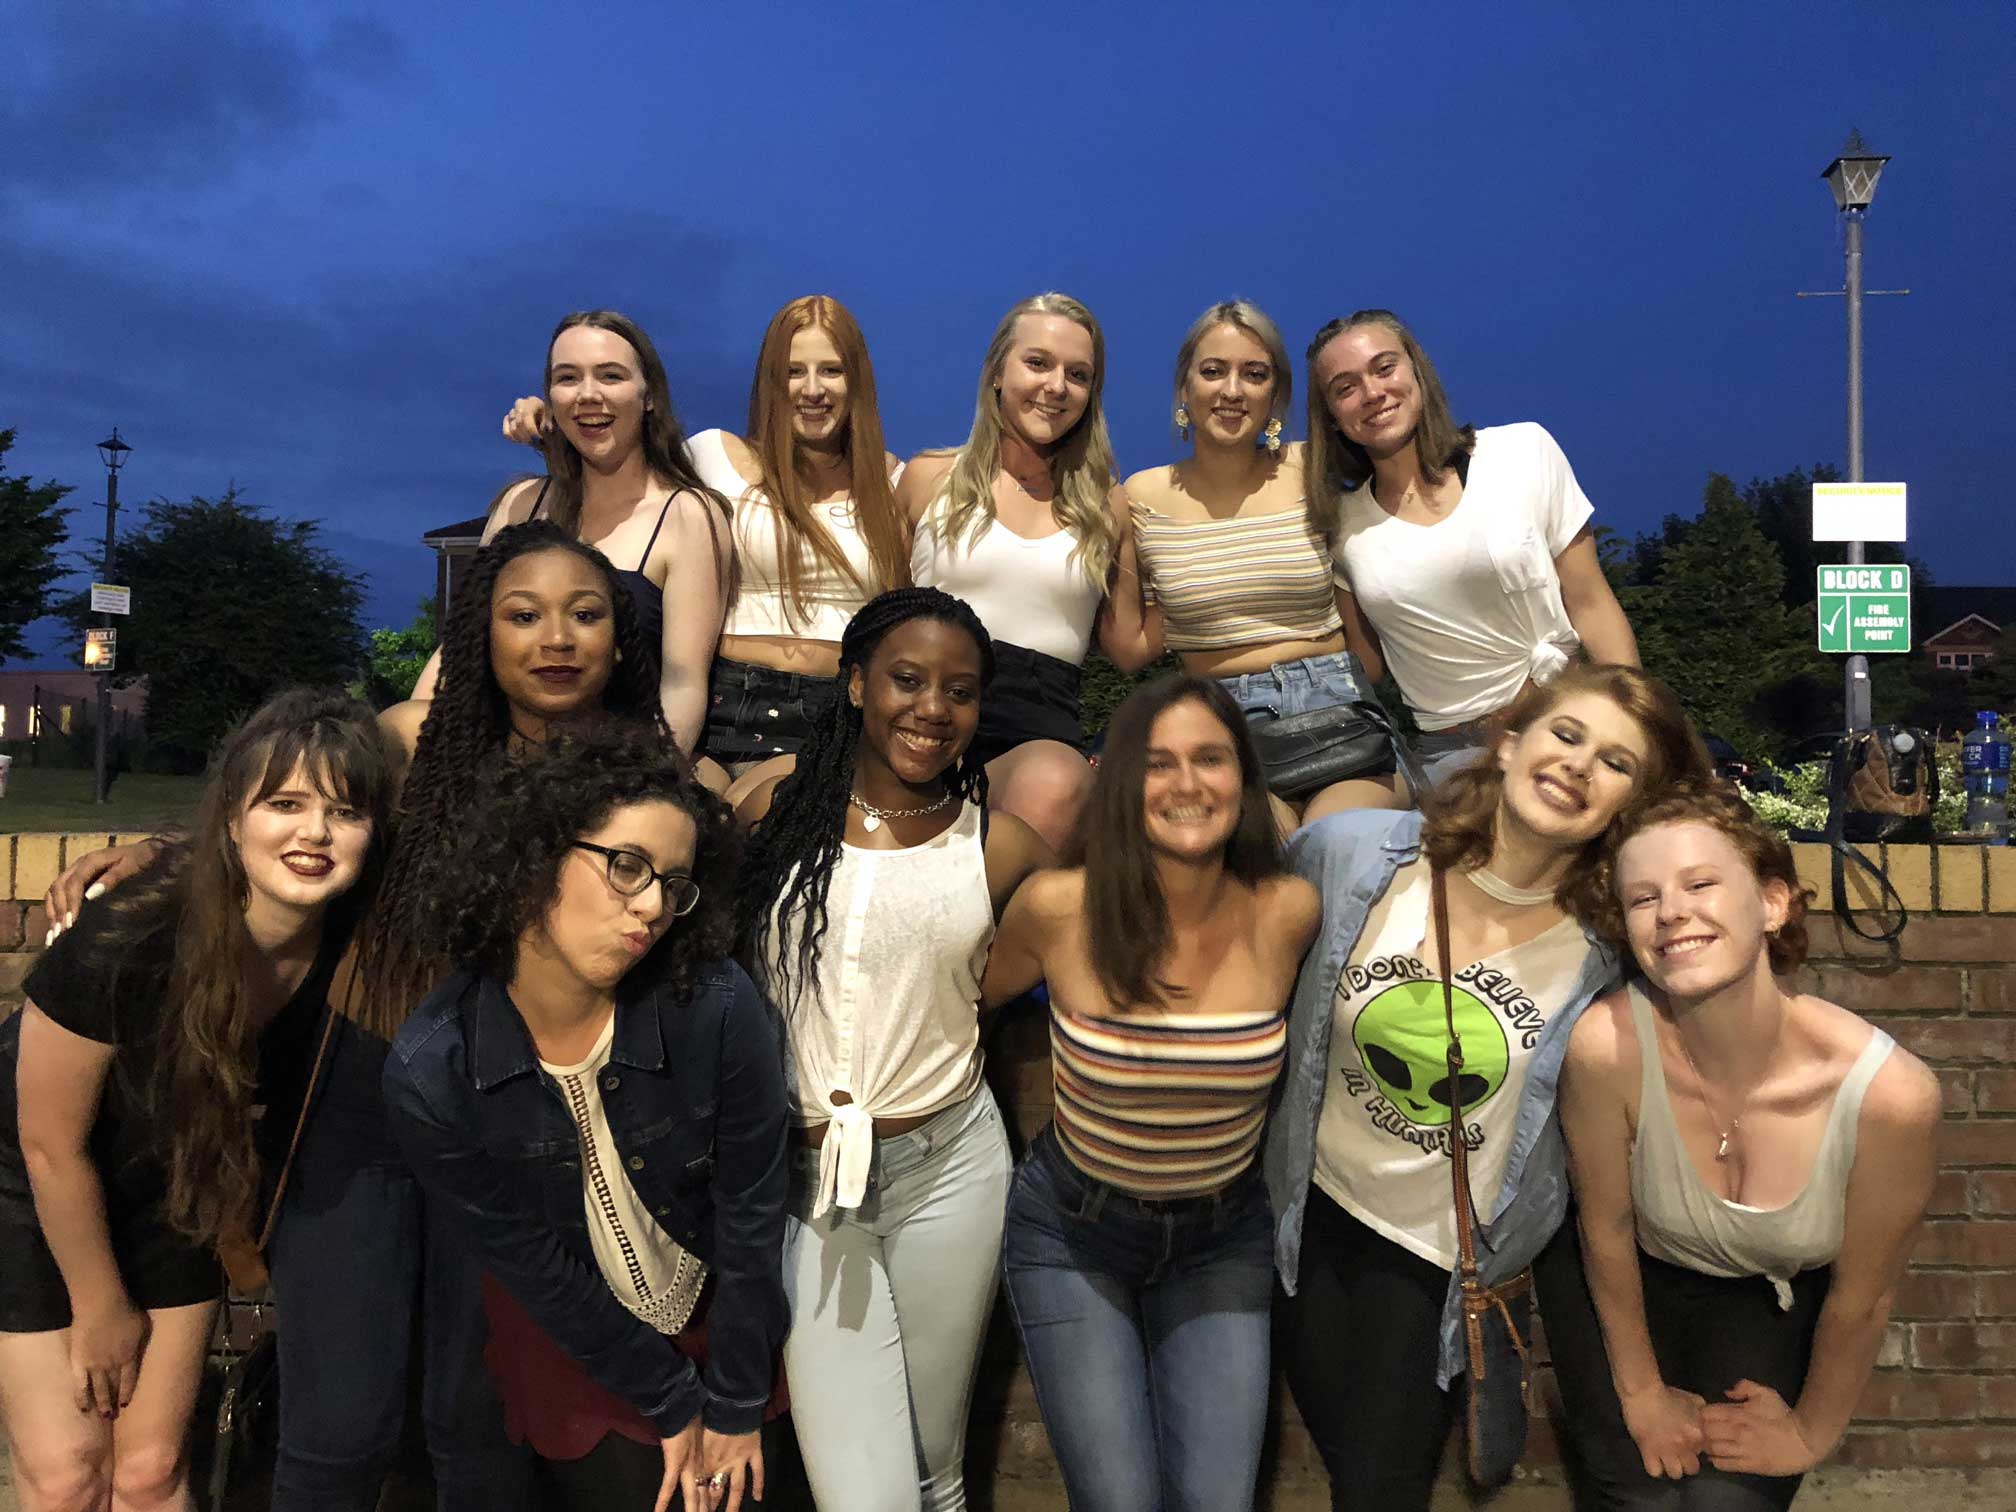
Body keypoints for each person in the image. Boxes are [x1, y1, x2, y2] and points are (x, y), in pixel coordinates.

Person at [43, 523, 671, 1510]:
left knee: (479, 1425)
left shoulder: (647, 784)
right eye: (523, 614)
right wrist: (164, 853)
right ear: (482, 637)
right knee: (341, 1423)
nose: (555, 637)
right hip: (365, 1104)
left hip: (520, 1128)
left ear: (620, 639)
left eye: (586, 614)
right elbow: (287, 807)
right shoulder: (412, 739)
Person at [1264, 664, 1714, 1511]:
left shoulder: (1610, 954)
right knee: (1345, 1460)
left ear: (1634, 803)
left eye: (1618, 764)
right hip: (1305, 1220)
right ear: (1509, 744)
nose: (1580, 767)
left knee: (1381, 1483)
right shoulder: (1353, 854)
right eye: (1567, 736)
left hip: (1439, 1255)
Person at [0, 689, 396, 1512]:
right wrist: (101, 1303)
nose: (314, 833)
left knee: (147, 1470)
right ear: (231, 819)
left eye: (343, 811)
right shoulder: (132, 937)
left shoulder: (354, 939)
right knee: (68, 1470)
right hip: (36, 1181)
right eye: (284, 804)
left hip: (175, 1178)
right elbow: (48, 1144)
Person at [384, 719, 788, 1512]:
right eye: (627, 867)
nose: (652, 910)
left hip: (726, 1311)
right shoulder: (433, 1071)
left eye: (674, 885)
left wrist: (734, 1405)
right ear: (537, 855)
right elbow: (535, 1269)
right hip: (581, 1329)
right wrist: (673, 1402)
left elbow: (751, 1216)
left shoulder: (714, 1005)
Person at [735, 587, 1052, 1511]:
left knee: (934, 1467)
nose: (932, 709)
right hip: (807, 1190)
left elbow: (1035, 963)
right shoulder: (772, 818)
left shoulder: (1002, 847)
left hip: (952, 1166)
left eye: (959, 691)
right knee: (865, 1496)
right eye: (907, 681)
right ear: (855, 685)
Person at [982, 674, 1320, 1511]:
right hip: (1073, 1234)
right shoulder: (1060, 906)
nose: (1187, 784)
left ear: (1244, 777)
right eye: (1158, 763)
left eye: (1211, 759)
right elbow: (960, 1006)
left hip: (1222, 1238)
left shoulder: (1289, 910)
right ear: (1121, 781)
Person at [1549, 785, 1938, 1510]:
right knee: (1641, 1497)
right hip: (1629, 1277)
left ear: (1773, 904)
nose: (1670, 912)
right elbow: (1604, 1228)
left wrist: (1810, 1433)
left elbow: (1865, 1296)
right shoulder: (1605, 1048)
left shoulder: (1890, 1095)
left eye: (1701, 883)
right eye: (1642, 898)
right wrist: (1640, 1394)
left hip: (1763, 1292)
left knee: (1727, 1505)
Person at [505, 296, 910, 787]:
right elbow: (621, 474)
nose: (812, 389)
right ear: (770, 382)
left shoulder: (896, 486)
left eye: (831, 370)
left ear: (857, 382)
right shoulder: (714, 455)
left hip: (843, 708)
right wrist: (552, 424)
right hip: (729, 704)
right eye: (793, 371)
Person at [1306, 309, 1639, 787]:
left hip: (1570, 726)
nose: (1373, 393)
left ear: (1416, 371)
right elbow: (1364, 665)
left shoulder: (1522, 451)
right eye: (1345, 387)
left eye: (1384, 368)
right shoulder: (1342, 527)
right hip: (1454, 758)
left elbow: (1590, 601)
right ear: (1333, 418)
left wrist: (1632, 726)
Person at [1121, 301, 1400, 829]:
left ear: (1275, 395)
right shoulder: (1140, 497)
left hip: (1335, 706)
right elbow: (1131, 645)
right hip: (1216, 725)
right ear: (1184, 389)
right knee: (1258, 858)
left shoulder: (1314, 465)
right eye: (1212, 371)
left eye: (1254, 374)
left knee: (1340, 842)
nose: (1232, 390)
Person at [417, 308, 731, 762]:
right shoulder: (520, 505)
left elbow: (683, 685)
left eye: (610, 376)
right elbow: (461, 649)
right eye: (568, 378)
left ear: (649, 396)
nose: (588, 394)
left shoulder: (687, 516)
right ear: (549, 397)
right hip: (502, 753)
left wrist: (644, 782)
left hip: (616, 762)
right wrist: (419, 733)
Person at [901, 292, 1153, 849]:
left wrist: (1214, 573)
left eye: (1078, 374)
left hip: (1038, 733)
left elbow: (1130, 646)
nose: (1057, 386)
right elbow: (878, 610)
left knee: (1055, 783)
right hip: (922, 713)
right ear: (996, 373)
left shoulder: (1107, 509)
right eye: (1037, 363)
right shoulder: (928, 479)